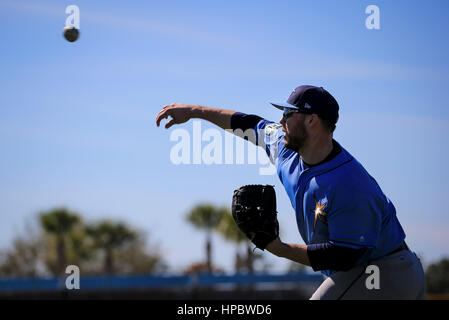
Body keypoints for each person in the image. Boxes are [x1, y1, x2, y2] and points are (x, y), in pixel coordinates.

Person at [155, 85, 426, 299]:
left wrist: (278, 248)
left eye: (289, 113)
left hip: (383, 271)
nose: (281, 120)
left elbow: (344, 256)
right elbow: (249, 123)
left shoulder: (349, 183)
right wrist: (194, 110)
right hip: (365, 272)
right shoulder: (285, 148)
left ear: (312, 121)